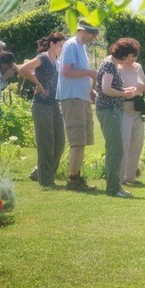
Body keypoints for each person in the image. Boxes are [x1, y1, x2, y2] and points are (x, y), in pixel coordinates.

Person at [18, 32, 66, 189]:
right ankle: (46, 181)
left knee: (59, 142)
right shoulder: (44, 58)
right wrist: (38, 84)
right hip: (41, 105)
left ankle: (39, 172)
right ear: (52, 44)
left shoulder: (55, 61)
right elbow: (23, 69)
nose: (61, 49)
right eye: (60, 46)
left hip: (54, 105)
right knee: (46, 143)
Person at [58, 19, 99, 191]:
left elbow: (78, 73)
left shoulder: (82, 47)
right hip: (72, 98)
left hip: (81, 97)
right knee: (77, 139)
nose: (94, 37)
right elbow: (66, 71)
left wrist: (90, 90)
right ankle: (72, 180)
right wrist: (90, 72)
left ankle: (77, 176)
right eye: (91, 33)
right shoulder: (71, 45)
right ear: (81, 31)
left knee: (83, 139)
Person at [95, 39, 138, 198]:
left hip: (113, 109)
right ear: (123, 54)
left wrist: (124, 89)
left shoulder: (112, 65)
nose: (131, 60)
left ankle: (115, 186)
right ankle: (113, 188)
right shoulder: (109, 65)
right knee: (115, 149)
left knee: (116, 148)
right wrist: (123, 94)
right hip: (109, 110)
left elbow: (109, 87)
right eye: (130, 56)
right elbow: (105, 89)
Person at [116, 39, 145, 185]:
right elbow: (112, 88)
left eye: (134, 56)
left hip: (138, 108)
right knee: (124, 142)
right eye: (129, 56)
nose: (132, 59)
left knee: (137, 143)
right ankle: (119, 176)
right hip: (124, 108)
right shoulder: (117, 68)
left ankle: (130, 176)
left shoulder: (138, 67)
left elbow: (142, 83)